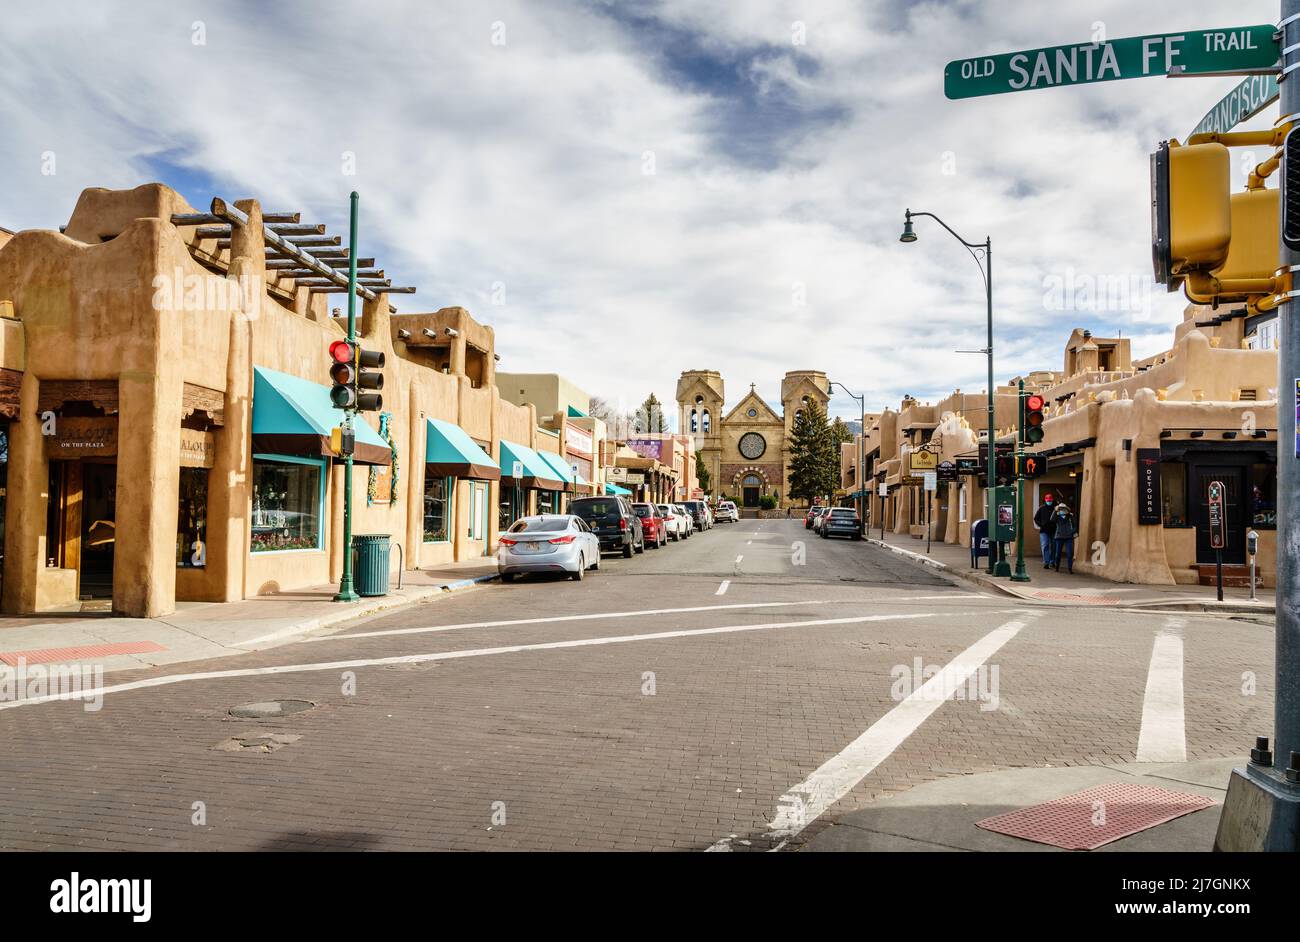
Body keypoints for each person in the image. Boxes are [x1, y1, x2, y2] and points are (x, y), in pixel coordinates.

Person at [1052, 503, 1077, 574]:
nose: (1062, 510)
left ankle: (1070, 569)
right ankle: (1057, 567)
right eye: (1060, 509)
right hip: (1059, 537)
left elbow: (1075, 526)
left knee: (1069, 553)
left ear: (1066, 509)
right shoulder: (1057, 517)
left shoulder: (1070, 516)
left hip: (1069, 537)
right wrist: (1055, 510)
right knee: (1058, 554)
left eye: (1063, 509)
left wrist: (1071, 532)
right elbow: (1052, 520)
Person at [1032, 493, 1056, 568]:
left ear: (1052, 500)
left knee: (1053, 546)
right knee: (1045, 546)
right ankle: (1046, 562)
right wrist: (1041, 525)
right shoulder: (1041, 508)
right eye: (1047, 500)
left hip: (1054, 530)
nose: (1049, 501)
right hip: (1044, 531)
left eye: (1050, 500)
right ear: (1045, 500)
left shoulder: (1055, 509)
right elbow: (1036, 518)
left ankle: (1052, 561)